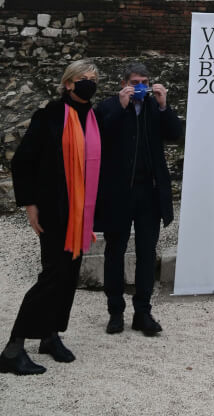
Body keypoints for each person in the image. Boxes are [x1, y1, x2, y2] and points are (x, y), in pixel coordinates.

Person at [0, 59, 101, 376]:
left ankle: (49, 334)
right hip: (54, 209)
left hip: (79, 212)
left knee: (69, 276)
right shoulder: (50, 116)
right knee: (53, 276)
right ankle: (13, 348)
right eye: (83, 77)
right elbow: (22, 162)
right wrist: (30, 206)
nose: (89, 82)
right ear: (68, 83)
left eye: (93, 78)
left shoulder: (92, 118)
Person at [95, 57, 182, 337]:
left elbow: (176, 134)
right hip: (118, 193)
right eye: (135, 83)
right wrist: (121, 107)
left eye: (144, 83)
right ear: (123, 84)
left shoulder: (155, 107)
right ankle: (115, 311)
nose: (141, 87)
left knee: (147, 252)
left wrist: (164, 105)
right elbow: (99, 137)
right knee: (114, 251)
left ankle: (143, 312)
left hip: (149, 193)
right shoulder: (108, 106)